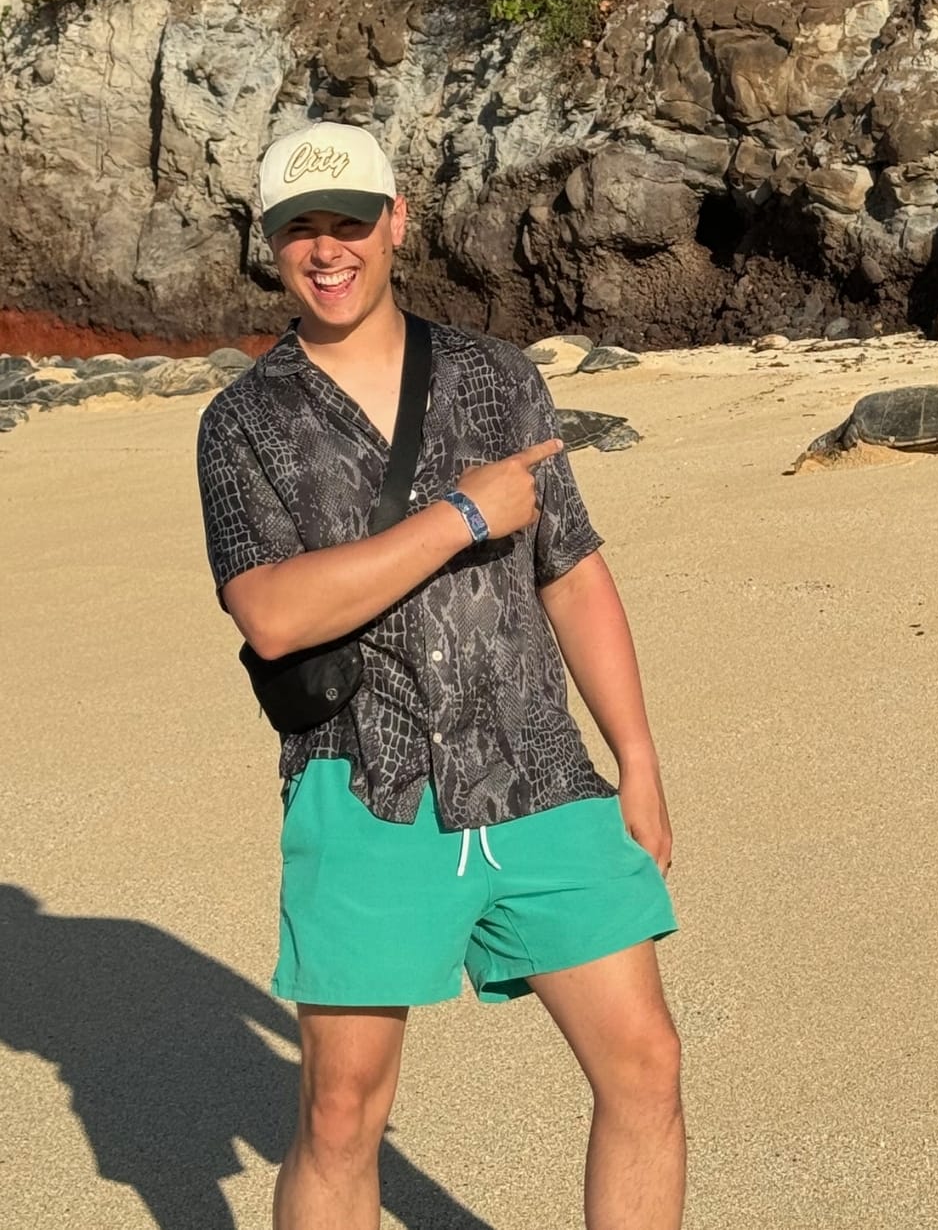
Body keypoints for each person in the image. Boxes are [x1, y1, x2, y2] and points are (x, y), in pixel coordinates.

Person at [195, 122, 683, 1230]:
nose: (328, 251)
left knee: (645, 1066)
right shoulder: (243, 424)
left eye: (349, 224)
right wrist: (460, 514)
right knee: (339, 1111)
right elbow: (272, 615)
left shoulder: (495, 378)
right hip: (365, 789)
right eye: (299, 230)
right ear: (271, 244)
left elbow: (572, 575)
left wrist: (639, 760)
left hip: (540, 772)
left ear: (396, 224)